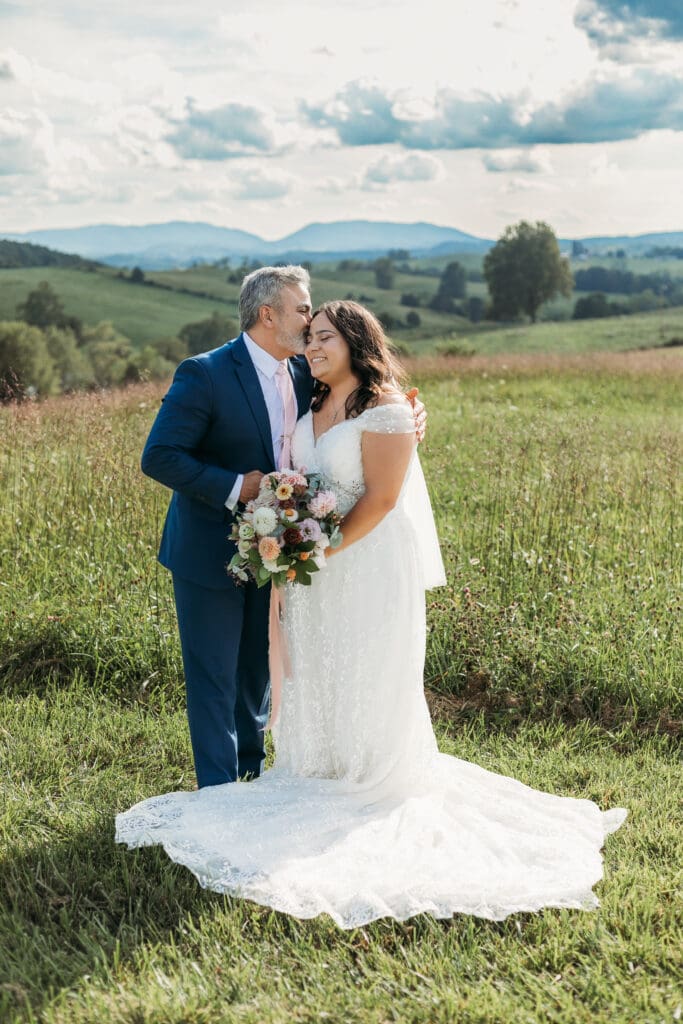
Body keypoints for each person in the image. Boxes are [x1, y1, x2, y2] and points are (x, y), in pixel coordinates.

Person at [117, 301, 626, 929]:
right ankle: (316, 765)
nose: (311, 347)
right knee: (316, 671)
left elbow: (383, 498)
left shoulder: (383, 407)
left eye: (324, 336)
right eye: (308, 336)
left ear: (356, 342)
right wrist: (298, 543)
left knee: (366, 667)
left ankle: (368, 773)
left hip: (363, 564)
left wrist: (320, 547)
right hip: (313, 570)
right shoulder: (308, 392)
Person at [140, 269, 424, 789]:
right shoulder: (204, 373)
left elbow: (363, 400)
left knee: (256, 674)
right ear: (268, 314)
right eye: (301, 310)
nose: (309, 321)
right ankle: (219, 794)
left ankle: (251, 777)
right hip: (209, 550)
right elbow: (159, 456)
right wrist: (236, 488)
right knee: (213, 679)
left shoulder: (303, 372)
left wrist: (409, 413)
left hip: (281, 551)